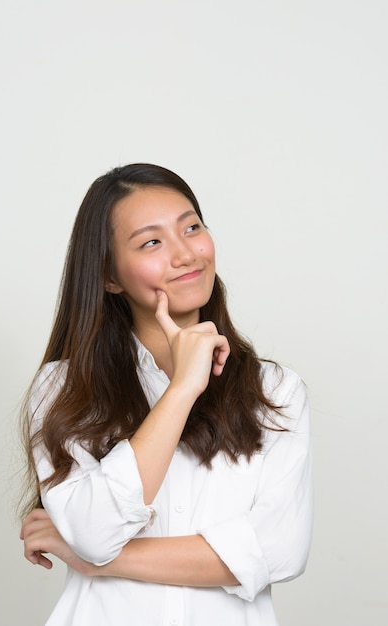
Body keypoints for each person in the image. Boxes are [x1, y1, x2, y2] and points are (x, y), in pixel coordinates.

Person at [19, 163, 313, 626]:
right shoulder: (64, 388)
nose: (185, 254)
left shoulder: (274, 390)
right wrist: (182, 390)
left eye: (191, 227)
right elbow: (96, 532)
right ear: (110, 276)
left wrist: (93, 555)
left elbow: (280, 551)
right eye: (151, 242)